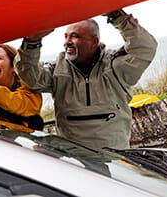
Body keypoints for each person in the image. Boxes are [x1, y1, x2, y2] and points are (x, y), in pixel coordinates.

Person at [14, 9, 157, 149]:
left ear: (94, 41)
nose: (67, 42)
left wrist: (117, 16)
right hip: (73, 158)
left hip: (115, 157)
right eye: (66, 36)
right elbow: (30, 77)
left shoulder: (114, 66)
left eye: (75, 36)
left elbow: (144, 48)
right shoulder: (57, 69)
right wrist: (31, 43)